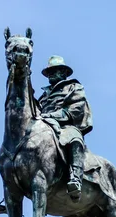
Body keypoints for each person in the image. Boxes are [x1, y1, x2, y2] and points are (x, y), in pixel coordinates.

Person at [38, 55, 93, 203]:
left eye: (54, 71)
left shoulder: (74, 87)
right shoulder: (44, 95)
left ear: (63, 72)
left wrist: (49, 115)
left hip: (66, 125)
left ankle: (75, 179)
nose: (51, 75)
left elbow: (75, 110)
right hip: (44, 125)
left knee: (74, 138)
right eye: (49, 72)